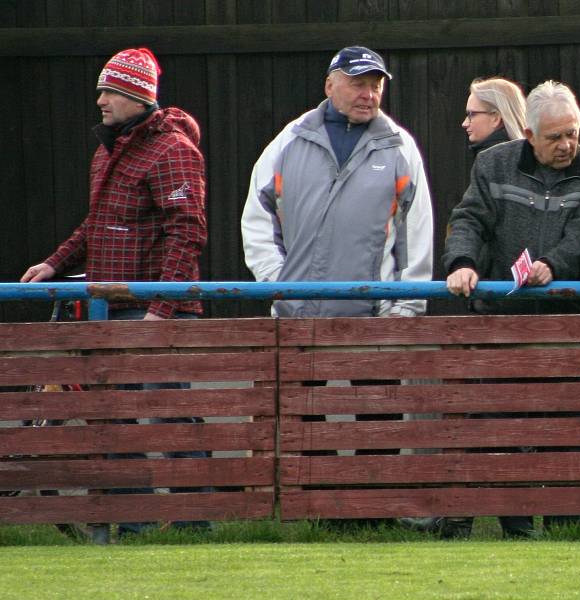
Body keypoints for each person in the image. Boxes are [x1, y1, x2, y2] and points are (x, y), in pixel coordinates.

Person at [21, 47, 210, 536]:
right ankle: (136, 522)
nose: (100, 100)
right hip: (112, 309)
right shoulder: (109, 149)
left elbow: (186, 233)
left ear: (135, 95)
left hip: (152, 312)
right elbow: (98, 225)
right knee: (114, 419)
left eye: (110, 91)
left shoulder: (173, 150)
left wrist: (161, 311)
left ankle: (198, 521)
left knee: (169, 415)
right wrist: (54, 264)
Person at [441, 80, 580, 538]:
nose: (567, 144)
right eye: (555, 136)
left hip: (566, 322)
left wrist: (553, 264)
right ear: (530, 135)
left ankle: (566, 527)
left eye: (572, 132)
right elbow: (469, 219)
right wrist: (460, 263)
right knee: (503, 426)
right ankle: (516, 525)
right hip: (503, 320)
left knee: (570, 427)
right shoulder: (492, 164)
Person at [400, 76, 528, 538]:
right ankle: (472, 519)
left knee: (482, 421)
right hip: (492, 309)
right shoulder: (489, 164)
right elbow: (469, 226)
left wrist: (472, 267)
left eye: (473, 112)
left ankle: (463, 519)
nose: (464, 121)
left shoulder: (505, 165)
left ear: (496, 117)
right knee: (483, 420)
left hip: (503, 314)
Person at [241, 45, 433, 319]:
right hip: (295, 320)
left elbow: (416, 233)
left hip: (375, 325)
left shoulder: (399, 148)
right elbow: (257, 217)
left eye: (376, 86)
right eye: (358, 84)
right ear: (330, 86)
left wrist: (405, 310)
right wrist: (280, 284)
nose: (368, 95)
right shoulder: (290, 141)